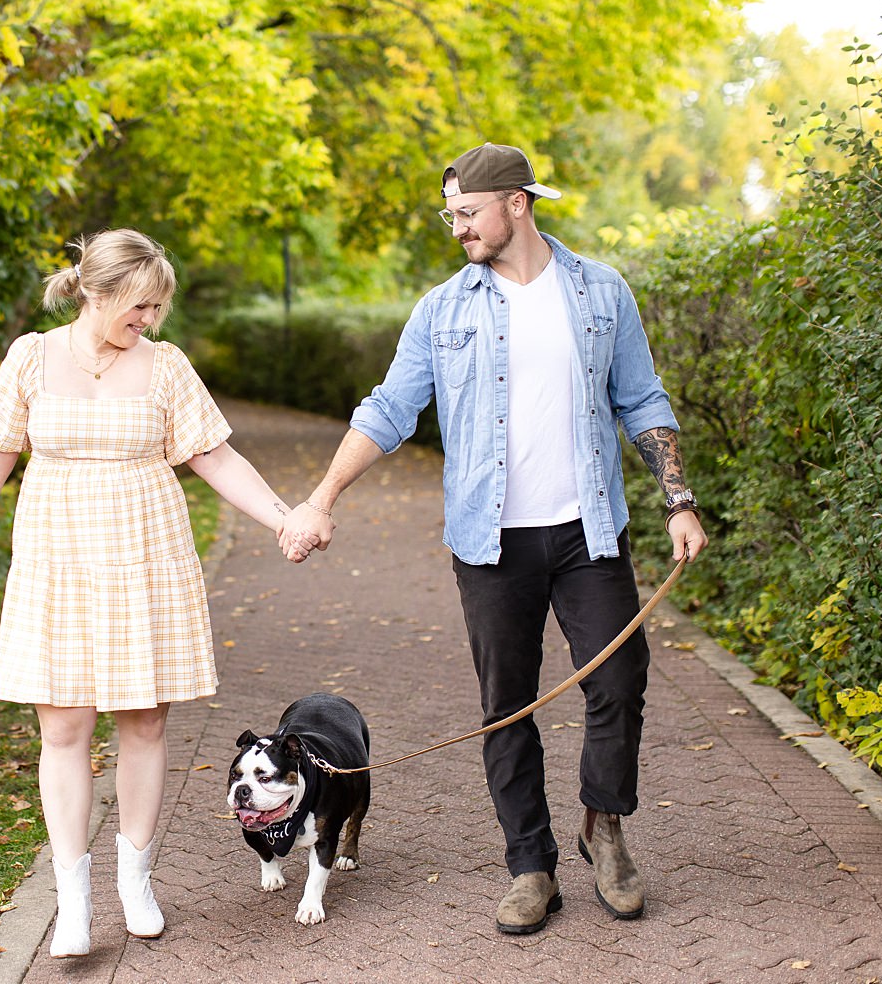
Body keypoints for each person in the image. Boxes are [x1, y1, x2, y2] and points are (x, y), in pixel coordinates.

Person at [280, 143, 708, 935]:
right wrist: (321, 498)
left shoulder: (601, 292)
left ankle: (603, 830)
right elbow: (386, 411)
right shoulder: (443, 310)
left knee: (618, 683)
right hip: (491, 543)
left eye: (467, 213)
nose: (457, 229)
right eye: (450, 215)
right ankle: (530, 865)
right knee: (505, 708)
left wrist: (678, 500)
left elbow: (642, 398)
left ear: (517, 202)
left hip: (589, 532)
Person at [0, 229, 299, 958]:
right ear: (96, 292)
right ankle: (73, 903)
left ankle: (134, 880)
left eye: (157, 309)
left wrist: (284, 518)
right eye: (141, 306)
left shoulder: (165, 367)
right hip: (57, 559)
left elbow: (214, 455)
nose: (150, 321)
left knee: (142, 724)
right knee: (63, 730)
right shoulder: (32, 356)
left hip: (147, 557)